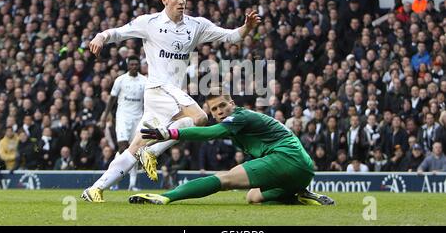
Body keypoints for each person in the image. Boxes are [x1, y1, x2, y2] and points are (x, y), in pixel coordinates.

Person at [82, 0, 261, 202]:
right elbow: (118, 33)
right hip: (158, 88)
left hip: (171, 92)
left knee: (136, 145)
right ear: (164, 0)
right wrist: (101, 36)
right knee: (199, 117)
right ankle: (153, 152)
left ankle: (95, 189)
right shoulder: (149, 22)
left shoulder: (196, 26)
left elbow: (230, 36)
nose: (181, 2)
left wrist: (247, 28)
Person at [129, 88, 335, 206]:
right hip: (303, 169)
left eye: (222, 106)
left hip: (286, 158)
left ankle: (165, 197)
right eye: (214, 109)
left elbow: (211, 133)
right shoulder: (241, 120)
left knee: (225, 179)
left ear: (232, 104)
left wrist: (170, 132)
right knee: (253, 197)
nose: (219, 111)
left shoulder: (239, 116)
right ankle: (301, 195)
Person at [99, 55, 147, 190]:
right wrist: (104, 117)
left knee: (134, 150)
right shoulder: (120, 80)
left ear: (139, 65)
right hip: (123, 117)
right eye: (131, 64)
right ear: (127, 65)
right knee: (122, 148)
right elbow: (112, 100)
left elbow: (148, 101)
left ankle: (132, 184)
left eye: (136, 64)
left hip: (138, 118)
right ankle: (113, 180)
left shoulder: (144, 81)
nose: (134, 66)